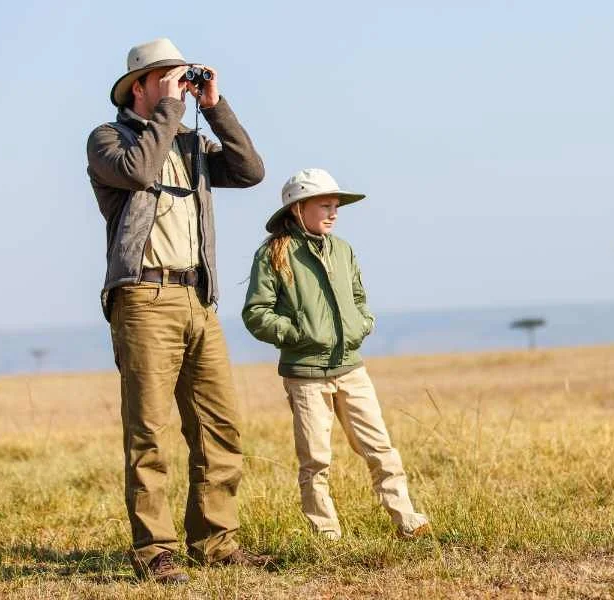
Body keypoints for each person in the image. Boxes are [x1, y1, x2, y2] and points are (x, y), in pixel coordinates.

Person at [86, 38, 266, 584]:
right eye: (163, 76)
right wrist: (169, 109)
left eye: (178, 74)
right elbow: (139, 172)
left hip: (197, 297)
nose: (175, 83)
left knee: (220, 425)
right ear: (138, 86)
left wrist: (214, 105)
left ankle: (214, 540)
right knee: (149, 429)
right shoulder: (108, 139)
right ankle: (154, 550)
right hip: (143, 297)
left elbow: (250, 170)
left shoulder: (190, 141)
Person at [241, 168, 431, 541]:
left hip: (351, 369)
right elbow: (256, 312)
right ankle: (326, 534)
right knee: (315, 459)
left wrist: (363, 324)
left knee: (379, 446)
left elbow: (359, 298)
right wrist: (298, 334)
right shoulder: (273, 254)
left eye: (336, 205)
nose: (334, 212)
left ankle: (406, 519)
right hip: (305, 374)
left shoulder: (343, 250)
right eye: (325, 205)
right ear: (298, 209)